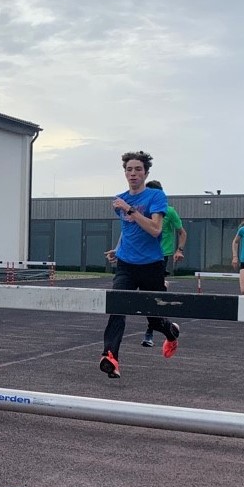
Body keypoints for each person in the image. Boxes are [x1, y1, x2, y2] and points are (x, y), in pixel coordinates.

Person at [99, 151, 181, 379]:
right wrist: (118, 249)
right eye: (129, 169)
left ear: (146, 172)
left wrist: (130, 209)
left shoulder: (155, 196)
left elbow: (155, 229)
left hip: (151, 265)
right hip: (126, 264)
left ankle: (171, 332)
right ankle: (110, 357)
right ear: (124, 173)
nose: (133, 173)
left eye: (137, 169)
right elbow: (128, 230)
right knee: (117, 308)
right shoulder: (119, 199)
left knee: (153, 318)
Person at [140, 180, 186, 347]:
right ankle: (168, 326)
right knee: (145, 293)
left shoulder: (169, 211)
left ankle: (150, 332)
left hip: (161, 256)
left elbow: (182, 232)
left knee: (152, 294)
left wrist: (179, 250)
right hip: (142, 256)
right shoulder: (142, 210)